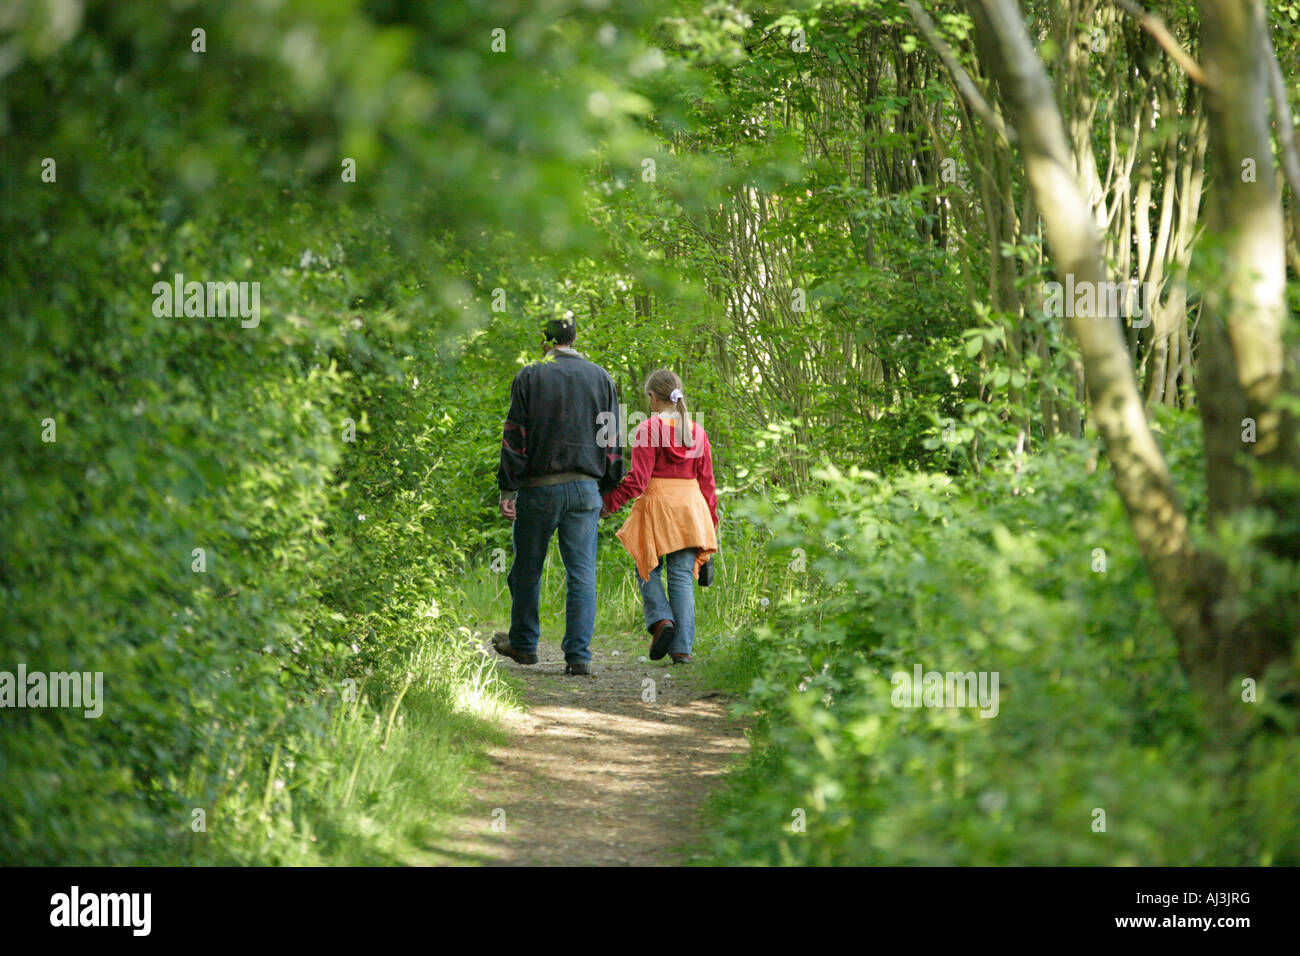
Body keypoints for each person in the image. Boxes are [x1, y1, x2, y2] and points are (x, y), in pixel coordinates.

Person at [494, 316, 625, 676]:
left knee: (527, 570)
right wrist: (610, 485)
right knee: (581, 574)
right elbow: (612, 437)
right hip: (586, 488)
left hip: (538, 488)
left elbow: (514, 436)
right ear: (575, 337)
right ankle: (578, 657)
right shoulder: (601, 377)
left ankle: (523, 645)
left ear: (544, 340)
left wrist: (509, 487)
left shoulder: (530, 376)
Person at [601, 368, 718, 664]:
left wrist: (608, 503)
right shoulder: (697, 431)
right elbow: (708, 484)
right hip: (692, 509)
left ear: (653, 398)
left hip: (659, 507)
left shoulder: (648, 429)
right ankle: (682, 650)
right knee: (680, 576)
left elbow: (638, 480)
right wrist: (711, 526)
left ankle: (661, 620)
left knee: (646, 566)